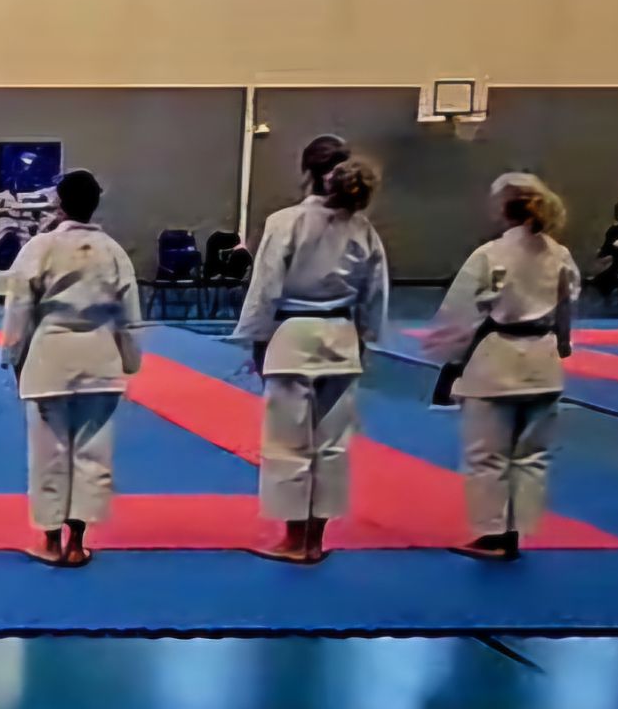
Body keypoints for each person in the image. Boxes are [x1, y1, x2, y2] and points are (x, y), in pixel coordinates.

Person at [233, 135, 388, 565]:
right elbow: (375, 292)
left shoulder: (287, 222)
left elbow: (265, 287)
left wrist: (257, 339)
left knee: (289, 443)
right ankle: (316, 540)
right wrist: (364, 338)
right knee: (331, 445)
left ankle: (293, 539)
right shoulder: (362, 229)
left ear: (307, 172)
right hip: (341, 335)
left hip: (293, 335)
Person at [423, 174, 578, 563]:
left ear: (503, 209)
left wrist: (450, 359)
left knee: (487, 455)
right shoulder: (559, 254)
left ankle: (493, 534)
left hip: (495, 361)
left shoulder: (490, 255)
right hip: (543, 362)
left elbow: (461, 313)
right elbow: (567, 308)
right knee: (532, 455)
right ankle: (517, 532)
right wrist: (562, 344)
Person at [0, 170, 142, 567]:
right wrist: (130, 360)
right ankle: (77, 542)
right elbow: (129, 315)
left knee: (49, 452)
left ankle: (49, 541)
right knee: (92, 454)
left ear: (58, 204)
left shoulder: (40, 247)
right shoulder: (113, 251)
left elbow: (19, 308)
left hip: (51, 356)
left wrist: (13, 356)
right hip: (100, 357)